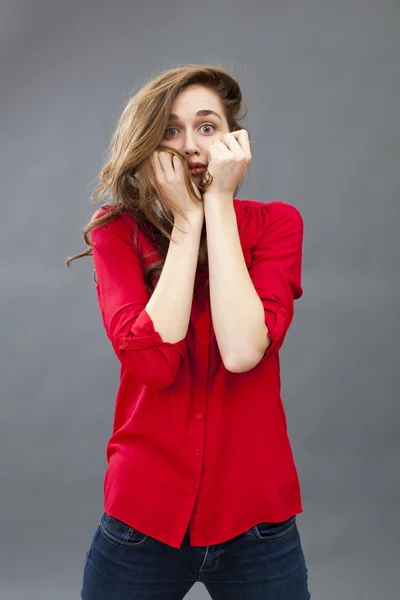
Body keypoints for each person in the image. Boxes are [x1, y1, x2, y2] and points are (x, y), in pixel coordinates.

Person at [66, 64, 311, 600]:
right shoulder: (117, 232)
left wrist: (217, 204)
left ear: (233, 141)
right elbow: (153, 363)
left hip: (257, 522)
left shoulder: (277, 223)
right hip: (142, 522)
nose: (190, 145)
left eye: (206, 127)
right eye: (171, 130)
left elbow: (245, 350)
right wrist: (185, 220)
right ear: (149, 143)